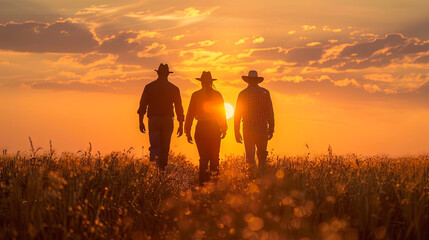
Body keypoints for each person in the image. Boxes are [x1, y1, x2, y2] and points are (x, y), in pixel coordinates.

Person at [138, 63, 184, 170]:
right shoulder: (174, 88)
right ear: (168, 74)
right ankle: (161, 171)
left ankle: (154, 170)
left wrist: (141, 121)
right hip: (168, 120)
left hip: (154, 120)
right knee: (165, 148)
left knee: (155, 147)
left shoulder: (149, 87)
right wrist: (181, 125)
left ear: (158, 73)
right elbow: (179, 108)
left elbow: (142, 106)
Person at [185, 71, 227, 185]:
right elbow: (222, 114)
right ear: (211, 82)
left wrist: (187, 131)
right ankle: (215, 184)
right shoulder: (217, 95)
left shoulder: (196, 95)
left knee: (203, 158)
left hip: (201, 128)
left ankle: (202, 184)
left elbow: (190, 115)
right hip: (214, 127)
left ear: (201, 82)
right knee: (214, 158)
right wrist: (224, 128)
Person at [234, 70, 274, 171]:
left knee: (250, 156)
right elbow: (270, 112)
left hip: (248, 128)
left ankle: (251, 178)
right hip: (262, 127)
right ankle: (262, 177)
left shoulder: (242, 94)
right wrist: (271, 129)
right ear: (257, 81)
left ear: (248, 81)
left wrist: (236, 132)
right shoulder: (265, 93)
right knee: (262, 155)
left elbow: (237, 114)